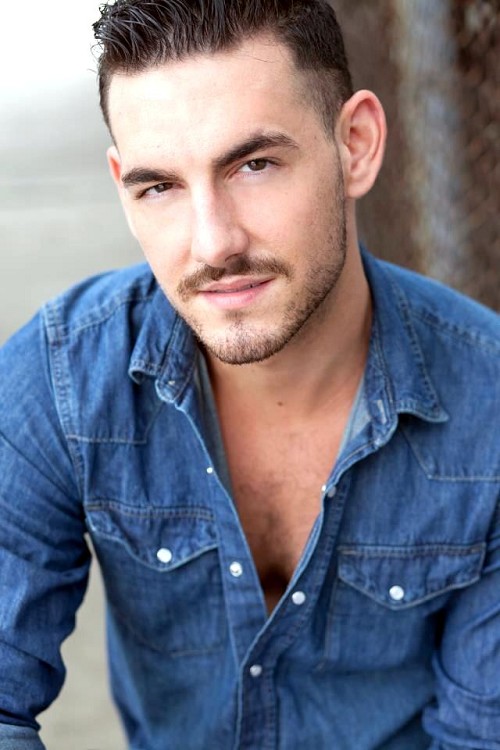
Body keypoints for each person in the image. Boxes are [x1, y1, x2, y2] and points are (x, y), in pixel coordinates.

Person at [0, 1, 499, 748]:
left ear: (357, 145)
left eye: (254, 165)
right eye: (160, 187)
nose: (213, 244)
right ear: (122, 187)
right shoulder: (61, 380)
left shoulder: (488, 405)